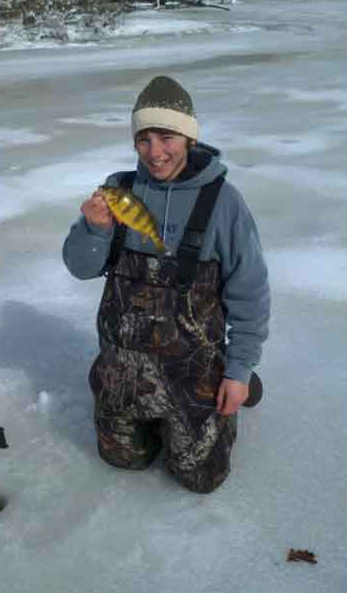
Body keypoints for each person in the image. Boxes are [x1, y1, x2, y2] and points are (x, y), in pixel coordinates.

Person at [62, 76, 270, 493]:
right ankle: (108, 377)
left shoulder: (224, 203)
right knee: (123, 458)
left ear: (190, 137)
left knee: (199, 477)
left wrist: (240, 369)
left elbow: (250, 292)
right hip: (126, 363)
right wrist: (95, 230)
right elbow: (80, 267)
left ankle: (230, 382)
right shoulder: (119, 190)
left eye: (167, 136)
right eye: (144, 139)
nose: (155, 153)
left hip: (190, 368)